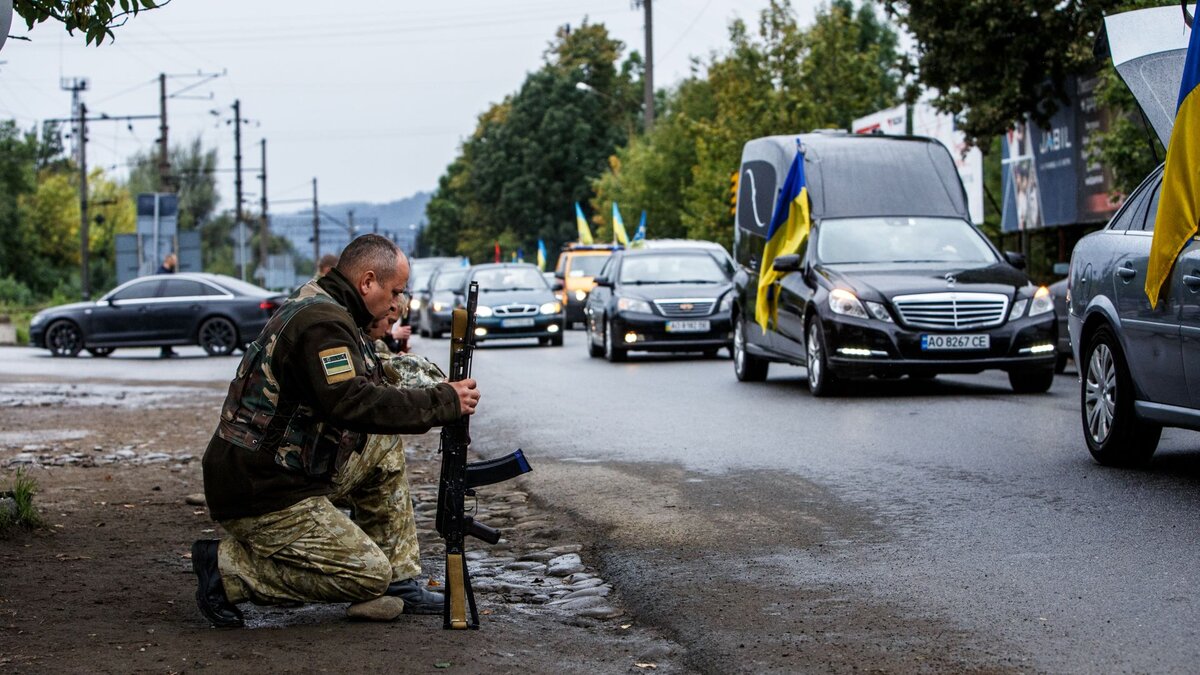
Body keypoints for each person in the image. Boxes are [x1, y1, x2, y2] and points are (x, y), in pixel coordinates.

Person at [192, 234, 480, 627]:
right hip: (264, 491)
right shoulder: (323, 324)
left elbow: (379, 381)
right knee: (365, 576)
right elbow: (352, 402)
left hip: (290, 471)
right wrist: (443, 402)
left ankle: (397, 580)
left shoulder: (331, 308)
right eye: (394, 291)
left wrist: (437, 392)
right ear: (367, 282)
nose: (397, 303)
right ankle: (227, 571)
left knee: (382, 446)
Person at [158, 254, 179, 358]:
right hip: (162, 304)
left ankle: (168, 349)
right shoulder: (161, 273)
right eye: (174, 260)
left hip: (168, 303)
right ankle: (164, 350)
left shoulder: (170, 271)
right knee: (163, 327)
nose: (175, 262)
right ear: (168, 260)